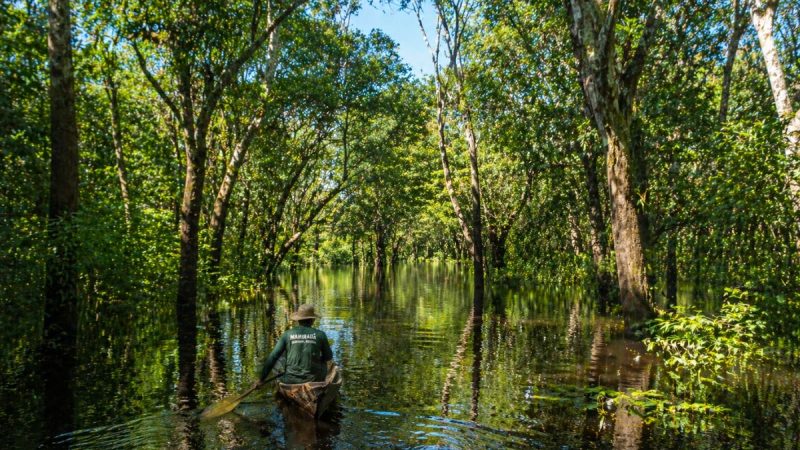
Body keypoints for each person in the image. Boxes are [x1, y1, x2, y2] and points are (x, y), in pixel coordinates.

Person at [258, 304, 334, 385]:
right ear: (313, 320)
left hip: (290, 381)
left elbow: (273, 357)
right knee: (324, 363)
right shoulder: (320, 334)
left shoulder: (287, 334)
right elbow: (328, 357)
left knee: (279, 361)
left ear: (298, 320)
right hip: (314, 380)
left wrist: (261, 379)